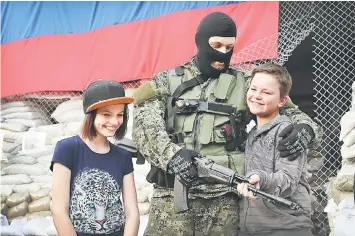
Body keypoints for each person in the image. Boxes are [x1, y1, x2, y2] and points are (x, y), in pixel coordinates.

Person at [132, 12, 322, 236]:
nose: (223, 53)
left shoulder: (247, 83)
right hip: (172, 198)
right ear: (201, 41)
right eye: (217, 45)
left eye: (229, 46)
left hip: (226, 201)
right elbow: (144, 126)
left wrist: (306, 129)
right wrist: (171, 156)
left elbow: (293, 113)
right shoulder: (165, 81)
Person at [50, 80, 140, 236]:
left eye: (120, 115)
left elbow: (132, 213)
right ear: (90, 115)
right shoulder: (67, 149)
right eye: (106, 114)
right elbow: (58, 211)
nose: (114, 121)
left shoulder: (123, 156)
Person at [236, 64, 313, 236]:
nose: (256, 96)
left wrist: (260, 179)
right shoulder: (251, 132)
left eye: (266, 92)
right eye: (253, 89)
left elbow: (288, 180)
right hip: (253, 227)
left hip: (286, 228)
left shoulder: (288, 132)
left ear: (282, 101)